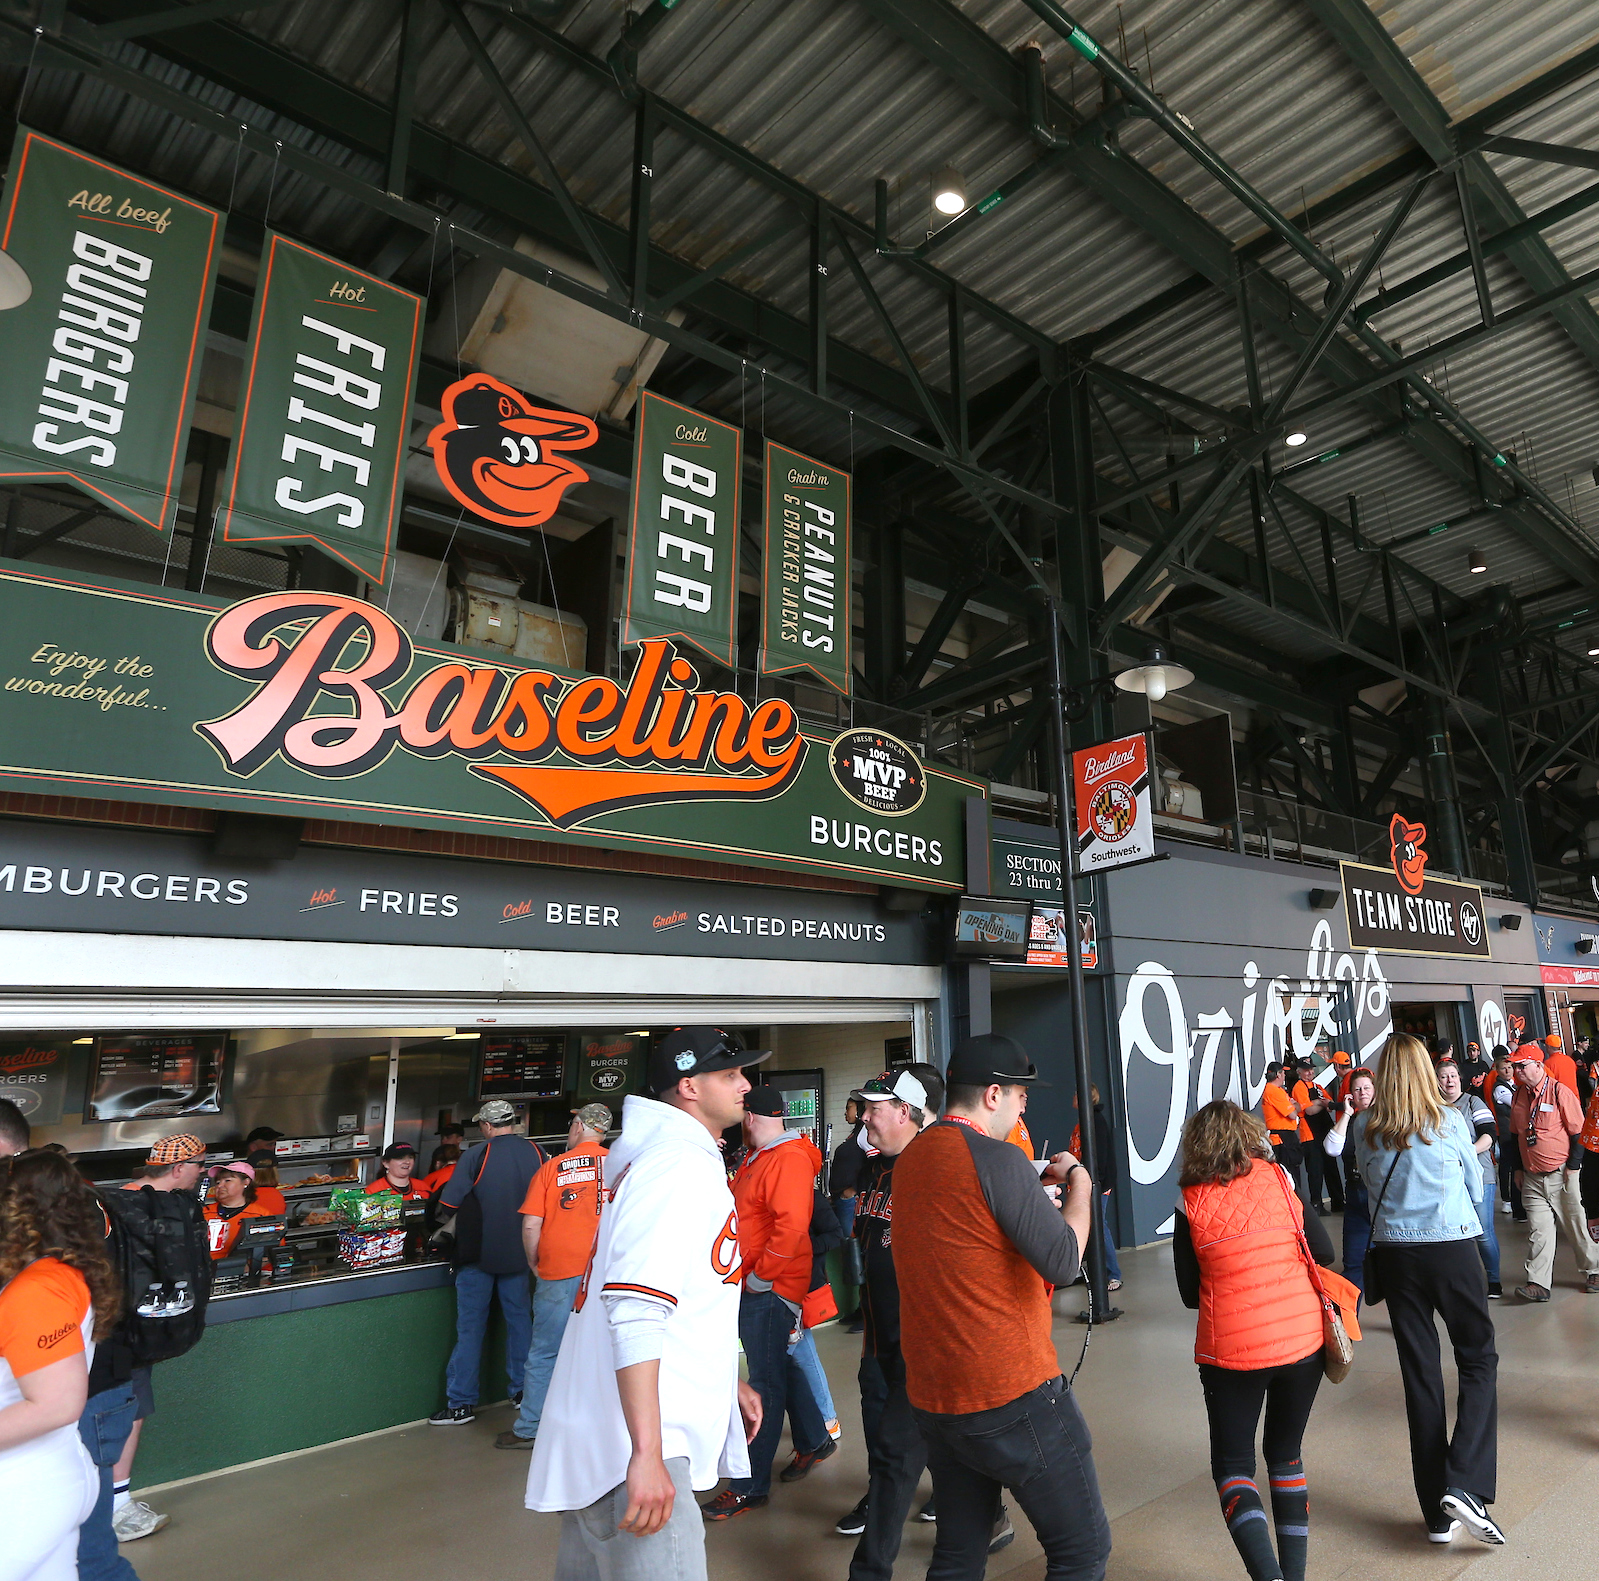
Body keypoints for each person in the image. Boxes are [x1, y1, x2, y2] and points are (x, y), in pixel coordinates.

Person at [525, 1027, 764, 1581]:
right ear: (688, 1086)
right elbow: (635, 1306)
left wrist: (723, 1376)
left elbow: (676, 1290)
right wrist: (646, 1454)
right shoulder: (675, 1164)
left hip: (613, 1429)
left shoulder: (659, 1157)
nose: (744, 1084)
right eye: (729, 1074)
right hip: (634, 1443)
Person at [892, 1032, 1111, 1581]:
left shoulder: (912, 1159)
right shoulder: (999, 1160)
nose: (1023, 1105)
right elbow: (1063, 1260)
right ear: (994, 1095)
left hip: (939, 1398)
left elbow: (966, 1237)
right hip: (1011, 1392)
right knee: (1082, 1550)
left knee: (959, 1552)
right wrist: (1079, 1180)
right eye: (1021, 1095)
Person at [1174, 1101, 1345, 1581]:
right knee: (1286, 1454)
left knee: (1233, 1467)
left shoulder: (1189, 1202)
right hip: (1303, 1341)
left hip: (1231, 1351)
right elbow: (1325, 1252)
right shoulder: (1279, 1180)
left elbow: (1190, 1295)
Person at [1352, 1034, 1502, 1545]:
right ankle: (1463, 1482)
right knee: (1478, 1358)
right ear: (1424, 1073)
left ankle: (1436, 1518)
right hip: (1452, 1249)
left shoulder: (1364, 1131)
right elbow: (1472, 1184)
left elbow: (1368, 1189)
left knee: (1421, 1376)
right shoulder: (1448, 1121)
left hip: (1396, 1258)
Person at [837, 1064, 961, 1577]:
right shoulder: (874, 1170)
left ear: (906, 1112)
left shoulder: (943, 1170)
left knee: (894, 1451)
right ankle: (984, 1512)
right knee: (914, 1450)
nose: (863, 1118)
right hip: (880, 1343)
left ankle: (869, 1572)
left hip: (926, 1349)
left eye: (873, 1108)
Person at [702, 1082, 829, 1519]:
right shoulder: (761, 1157)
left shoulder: (787, 1158)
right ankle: (814, 1439)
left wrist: (760, 1278)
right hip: (755, 1283)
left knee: (764, 1383)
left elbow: (792, 1227)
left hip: (770, 1288)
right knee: (781, 1368)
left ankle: (749, 1485)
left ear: (751, 1117)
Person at [1, 1149, 122, 1581]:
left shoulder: (38, 1288)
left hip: (24, 1488)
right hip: (43, 1476)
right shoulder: (55, 1273)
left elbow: (55, 1404)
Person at [108, 1132, 210, 1543]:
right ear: (180, 1167)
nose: (204, 1173)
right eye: (200, 1165)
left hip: (113, 1331)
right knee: (125, 1412)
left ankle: (113, 1503)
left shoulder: (113, 1203)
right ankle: (115, 1508)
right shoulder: (122, 1207)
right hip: (123, 1335)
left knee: (126, 1411)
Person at [496, 1102, 612, 1451]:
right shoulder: (622, 1165)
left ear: (577, 1126)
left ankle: (531, 1427)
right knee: (607, 1352)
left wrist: (534, 1261)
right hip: (608, 1273)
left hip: (560, 1270)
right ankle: (601, 1429)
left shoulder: (553, 1167)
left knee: (546, 1352)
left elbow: (531, 1223)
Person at [430, 1100, 545, 1426]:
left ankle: (461, 1404)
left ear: (487, 1126)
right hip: (521, 1255)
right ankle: (523, 1393)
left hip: (478, 1256)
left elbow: (448, 1205)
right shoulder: (536, 1153)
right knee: (521, 1323)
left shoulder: (476, 1155)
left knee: (470, 1330)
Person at [1508, 1045, 1599, 1300]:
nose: (1517, 1071)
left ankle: (1594, 1270)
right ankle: (1538, 1283)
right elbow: (1515, 1135)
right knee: (1538, 1231)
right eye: (1515, 1066)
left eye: (1521, 1066)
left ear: (1538, 1065)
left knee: (1577, 1225)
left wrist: (1573, 1168)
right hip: (1532, 1176)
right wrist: (1517, 1168)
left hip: (1563, 1174)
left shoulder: (1560, 1092)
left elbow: (1579, 1133)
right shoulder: (1518, 1096)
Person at [1437, 1062, 1501, 1297]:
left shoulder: (1474, 1102)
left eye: (1453, 1075)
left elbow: (1489, 1134)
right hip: (1448, 1180)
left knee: (1483, 1232)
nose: (1449, 1080)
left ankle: (1494, 1279)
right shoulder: (1432, 1107)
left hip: (1479, 1175)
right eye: (1444, 1077)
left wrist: (1465, 1154)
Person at [1320, 1067, 1377, 1291]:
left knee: (1392, 1261)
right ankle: (1349, 1321)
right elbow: (1332, 1148)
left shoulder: (1387, 1118)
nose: (1362, 1092)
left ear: (1374, 1090)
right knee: (1353, 1262)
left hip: (1382, 1195)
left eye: (1366, 1088)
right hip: (1355, 1193)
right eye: (1357, 1089)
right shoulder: (1351, 1121)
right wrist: (1346, 1113)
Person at [1072, 1085, 1122, 1290]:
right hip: (1089, 1183)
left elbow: (1100, 1156)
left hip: (1097, 1184)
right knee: (1093, 1225)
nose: (1073, 1097)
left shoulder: (1095, 1121)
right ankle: (1095, 1271)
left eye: (1076, 1094)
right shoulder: (1086, 1120)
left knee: (1099, 1225)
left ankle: (1113, 1274)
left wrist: (1094, 1183)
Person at [830, 1099, 869, 1330]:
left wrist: (850, 1192)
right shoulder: (855, 1134)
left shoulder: (866, 1135)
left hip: (852, 1201)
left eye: (849, 1107)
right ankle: (860, 1308)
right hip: (843, 1201)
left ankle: (868, 1313)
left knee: (860, 1254)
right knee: (852, 1256)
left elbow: (872, 1165)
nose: (846, 1112)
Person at [202, 1163, 281, 1262]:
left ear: (246, 1183)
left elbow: (272, 1253)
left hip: (245, 1274)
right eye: (218, 1182)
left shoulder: (260, 1215)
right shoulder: (203, 1213)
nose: (220, 1186)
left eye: (227, 1180)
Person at [1260, 1064, 1305, 1202]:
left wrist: (1295, 1105)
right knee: (1290, 1176)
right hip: (1282, 1140)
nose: (1285, 1076)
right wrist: (1295, 1105)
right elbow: (1293, 1113)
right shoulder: (1274, 1091)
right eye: (1283, 1073)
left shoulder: (1278, 1090)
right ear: (1278, 1074)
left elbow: (1295, 1106)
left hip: (1285, 1138)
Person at [365, 1143, 431, 1201]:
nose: (407, 1162)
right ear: (385, 1163)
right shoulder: (373, 1191)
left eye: (410, 1157)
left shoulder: (423, 1187)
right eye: (400, 1158)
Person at [1538, 1035, 1580, 1099]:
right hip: (1574, 1097)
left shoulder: (1548, 1063)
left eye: (1545, 1045)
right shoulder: (1570, 1060)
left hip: (1560, 1098)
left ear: (1548, 1047)